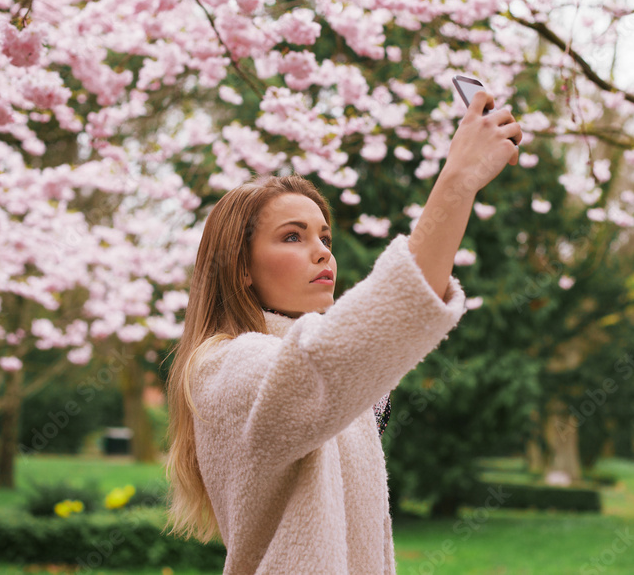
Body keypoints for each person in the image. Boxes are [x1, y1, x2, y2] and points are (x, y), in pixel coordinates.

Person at [164, 91, 522, 574]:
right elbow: (334, 357)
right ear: (240, 267)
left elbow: (358, 349)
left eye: (324, 237)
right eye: (293, 236)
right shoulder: (223, 368)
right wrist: (457, 181)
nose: (322, 252)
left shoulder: (295, 353)